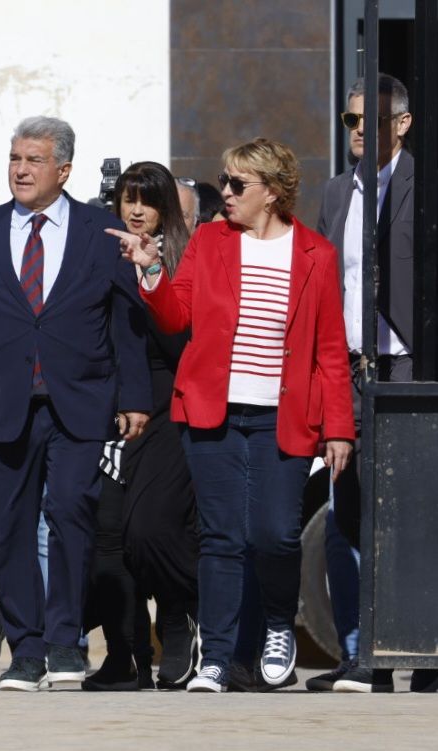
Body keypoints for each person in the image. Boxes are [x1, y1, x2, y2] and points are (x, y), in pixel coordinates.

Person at [115, 137, 355, 692]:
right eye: (223, 181)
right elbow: (176, 316)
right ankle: (218, 657)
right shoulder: (208, 242)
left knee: (275, 535)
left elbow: (329, 352)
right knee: (221, 537)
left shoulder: (314, 254)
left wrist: (338, 427)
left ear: (271, 192)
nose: (224, 193)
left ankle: (277, 627)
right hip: (211, 413)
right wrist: (151, 273)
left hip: (283, 417)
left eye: (237, 184)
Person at [0, 116, 152, 691]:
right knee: (8, 528)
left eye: (34, 160)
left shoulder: (99, 230)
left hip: (82, 402)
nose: (20, 169)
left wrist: (134, 396)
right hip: (3, 404)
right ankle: (26, 649)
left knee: (71, 513)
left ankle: (65, 643)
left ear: (64, 169)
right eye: (15, 158)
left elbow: (125, 323)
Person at [313, 74, 434, 694]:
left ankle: (427, 651)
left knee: (417, 512)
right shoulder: (336, 194)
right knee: (346, 513)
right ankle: (363, 655)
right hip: (350, 371)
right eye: (351, 120)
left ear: (404, 124)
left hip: (410, 368)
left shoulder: (425, 184)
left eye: (372, 120)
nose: (360, 130)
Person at [83, 162, 198, 692]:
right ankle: (125, 655)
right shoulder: (97, 253)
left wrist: (151, 273)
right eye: (128, 198)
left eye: (147, 201)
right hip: (105, 409)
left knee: (150, 530)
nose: (135, 210)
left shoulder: (182, 257)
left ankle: (180, 621)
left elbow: (181, 346)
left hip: (165, 411)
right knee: (107, 540)